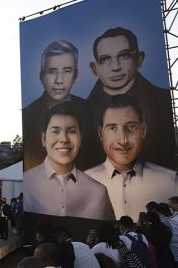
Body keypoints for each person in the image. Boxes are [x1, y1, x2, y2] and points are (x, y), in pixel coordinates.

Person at [84, 27, 176, 170]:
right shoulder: (81, 112)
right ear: (94, 68)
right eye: (105, 59)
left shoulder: (164, 101)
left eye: (124, 55)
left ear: (139, 59)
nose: (115, 67)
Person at [85, 94, 178, 221]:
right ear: (101, 134)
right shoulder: (85, 182)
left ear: (143, 130)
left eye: (131, 127)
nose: (123, 140)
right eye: (112, 128)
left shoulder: (170, 180)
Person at [24, 101, 114, 220]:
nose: (64, 139)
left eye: (71, 131)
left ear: (80, 138)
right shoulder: (26, 183)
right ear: (43, 138)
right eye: (56, 131)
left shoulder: (98, 191)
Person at [23, 40, 84, 171]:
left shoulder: (89, 110)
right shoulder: (28, 115)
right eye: (52, 71)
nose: (59, 80)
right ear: (41, 76)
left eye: (67, 71)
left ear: (75, 75)